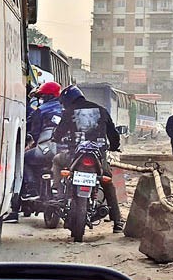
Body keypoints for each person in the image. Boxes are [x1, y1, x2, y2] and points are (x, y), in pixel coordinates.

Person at [52, 85, 124, 233]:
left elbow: (57, 135)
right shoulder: (101, 110)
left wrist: (58, 139)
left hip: (74, 156)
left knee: (57, 161)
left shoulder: (68, 113)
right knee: (108, 183)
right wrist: (114, 146)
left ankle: (59, 193)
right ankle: (117, 221)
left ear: (67, 100)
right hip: (98, 156)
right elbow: (114, 135)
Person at [4, 81, 63, 223]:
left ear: (47, 96)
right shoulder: (67, 108)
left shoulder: (41, 110)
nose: (41, 98)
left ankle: (30, 189)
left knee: (23, 159)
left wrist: (30, 144)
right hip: (66, 152)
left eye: (42, 96)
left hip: (46, 150)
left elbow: (34, 133)